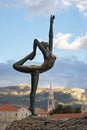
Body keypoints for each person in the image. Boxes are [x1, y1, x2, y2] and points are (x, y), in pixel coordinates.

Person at [13, 15, 56, 115]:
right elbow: (36, 40)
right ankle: (32, 111)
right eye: (44, 43)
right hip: (36, 69)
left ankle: (32, 109)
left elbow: (51, 37)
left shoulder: (50, 52)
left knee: (33, 91)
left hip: (37, 70)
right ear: (44, 46)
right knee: (15, 66)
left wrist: (51, 23)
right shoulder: (45, 53)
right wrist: (34, 52)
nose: (45, 41)